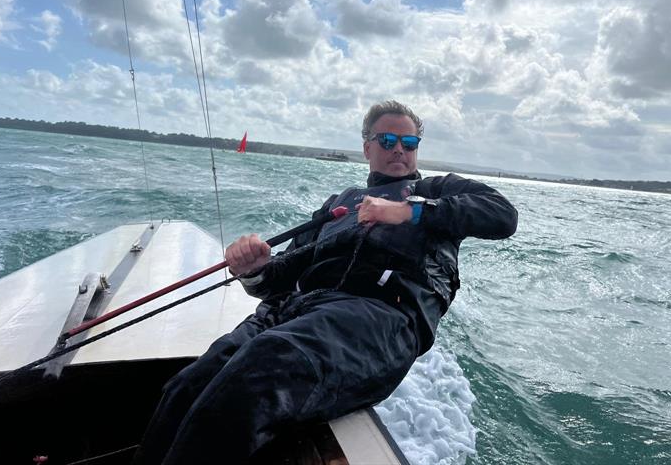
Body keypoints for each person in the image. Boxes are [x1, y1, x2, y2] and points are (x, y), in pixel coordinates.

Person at [134, 100, 518, 464]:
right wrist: (255, 269)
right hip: (294, 309)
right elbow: (281, 278)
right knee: (185, 386)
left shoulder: (435, 191)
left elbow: (503, 215)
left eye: (409, 142)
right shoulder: (341, 202)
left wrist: (407, 211)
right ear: (367, 147)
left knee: (258, 372)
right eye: (387, 141)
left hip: (380, 316)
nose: (399, 149)